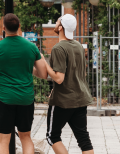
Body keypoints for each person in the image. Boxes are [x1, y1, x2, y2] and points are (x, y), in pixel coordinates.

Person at [0, 13, 47, 154]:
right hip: (26, 99)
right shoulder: (31, 47)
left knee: (3, 141)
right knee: (26, 138)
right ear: (19, 27)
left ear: (4, 28)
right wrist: (28, 68)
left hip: (5, 99)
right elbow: (43, 74)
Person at [43, 14, 94, 154]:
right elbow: (80, 74)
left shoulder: (58, 48)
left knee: (52, 136)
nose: (55, 23)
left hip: (63, 101)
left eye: (57, 21)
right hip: (81, 98)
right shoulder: (78, 46)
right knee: (83, 138)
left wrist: (44, 63)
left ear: (60, 28)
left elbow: (59, 78)